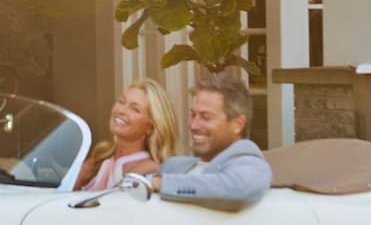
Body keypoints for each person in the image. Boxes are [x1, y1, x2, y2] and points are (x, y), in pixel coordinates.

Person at [143, 66, 270, 210]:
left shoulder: (251, 164)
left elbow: (238, 187)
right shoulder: (175, 166)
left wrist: (162, 184)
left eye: (205, 117)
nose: (193, 125)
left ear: (237, 124)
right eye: (193, 115)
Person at [78, 79, 181, 191]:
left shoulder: (150, 170)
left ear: (150, 128)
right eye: (121, 101)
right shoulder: (100, 157)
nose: (121, 110)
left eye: (135, 109)